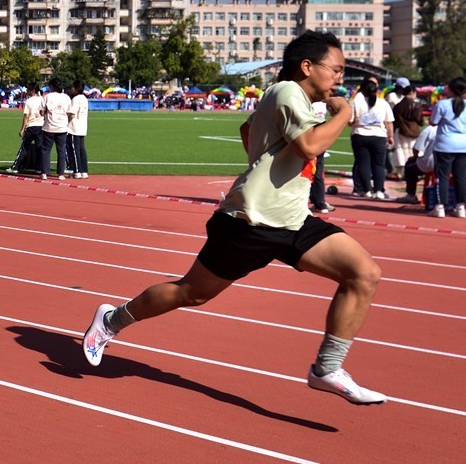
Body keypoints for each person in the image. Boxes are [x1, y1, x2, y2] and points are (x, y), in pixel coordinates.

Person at [83, 31, 386, 404]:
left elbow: (247, 129)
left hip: (292, 220)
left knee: (363, 273)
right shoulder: (288, 91)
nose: (340, 78)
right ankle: (111, 321)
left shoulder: (294, 100)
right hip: (249, 222)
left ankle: (327, 367)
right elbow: (310, 146)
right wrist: (344, 113)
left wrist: (263, 161)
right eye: (336, 70)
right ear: (307, 67)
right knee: (190, 293)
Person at [430, 77, 466, 218]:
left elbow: (433, 122)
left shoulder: (442, 104)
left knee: (442, 177)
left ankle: (440, 207)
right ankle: (461, 207)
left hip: (445, 143)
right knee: (461, 177)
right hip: (464, 144)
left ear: (450, 89)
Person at [349, 79, 394, 199]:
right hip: (379, 136)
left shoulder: (356, 102)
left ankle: (367, 190)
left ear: (362, 90)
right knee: (379, 165)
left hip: (360, 135)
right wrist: (390, 136)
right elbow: (389, 122)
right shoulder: (383, 103)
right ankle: (379, 190)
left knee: (363, 163)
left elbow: (350, 121)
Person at [38, 77, 71, 180]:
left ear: (51, 86)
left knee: (45, 149)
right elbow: (69, 112)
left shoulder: (48, 97)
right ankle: (60, 173)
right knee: (61, 150)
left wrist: (46, 113)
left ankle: (44, 172)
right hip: (62, 127)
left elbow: (42, 112)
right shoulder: (66, 97)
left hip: (49, 126)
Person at [9, 84, 43, 173]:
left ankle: (16, 167)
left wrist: (22, 128)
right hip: (41, 126)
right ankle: (39, 168)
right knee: (40, 148)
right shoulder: (42, 100)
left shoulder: (29, 101)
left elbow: (26, 116)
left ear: (32, 91)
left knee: (24, 148)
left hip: (31, 126)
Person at [66, 80, 90, 178]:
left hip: (74, 127)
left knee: (74, 150)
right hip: (82, 127)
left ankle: (76, 170)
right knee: (81, 149)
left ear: (75, 88)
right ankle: (84, 170)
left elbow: (72, 114)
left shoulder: (75, 99)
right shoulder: (84, 98)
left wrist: (65, 122)